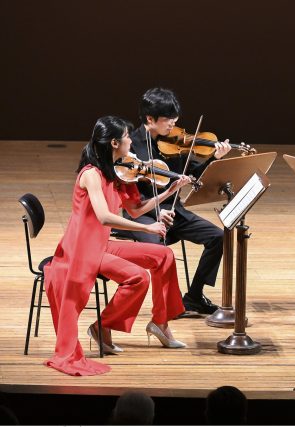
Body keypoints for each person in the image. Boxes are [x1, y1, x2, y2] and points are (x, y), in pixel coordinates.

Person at [44, 116, 191, 376]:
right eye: (126, 137)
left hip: (101, 244)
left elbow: (134, 210)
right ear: (114, 143)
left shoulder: (117, 172)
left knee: (164, 255)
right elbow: (103, 216)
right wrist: (148, 228)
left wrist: (168, 193)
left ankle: (160, 322)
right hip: (83, 249)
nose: (130, 141)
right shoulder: (91, 174)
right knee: (138, 278)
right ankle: (103, 326)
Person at [125, 87, 231, 315]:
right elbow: (128, 192)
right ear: (150, 119)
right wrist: (156, 213)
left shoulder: (172, 144)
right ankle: (165, 306)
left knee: (218, 237)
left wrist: (213, 157)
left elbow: (192, 175)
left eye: (175, 117)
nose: (173, 123)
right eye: (167, 119)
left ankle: (194, 296)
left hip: (173, 210)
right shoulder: (131, 146)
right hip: (142, 212)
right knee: (157, 250)